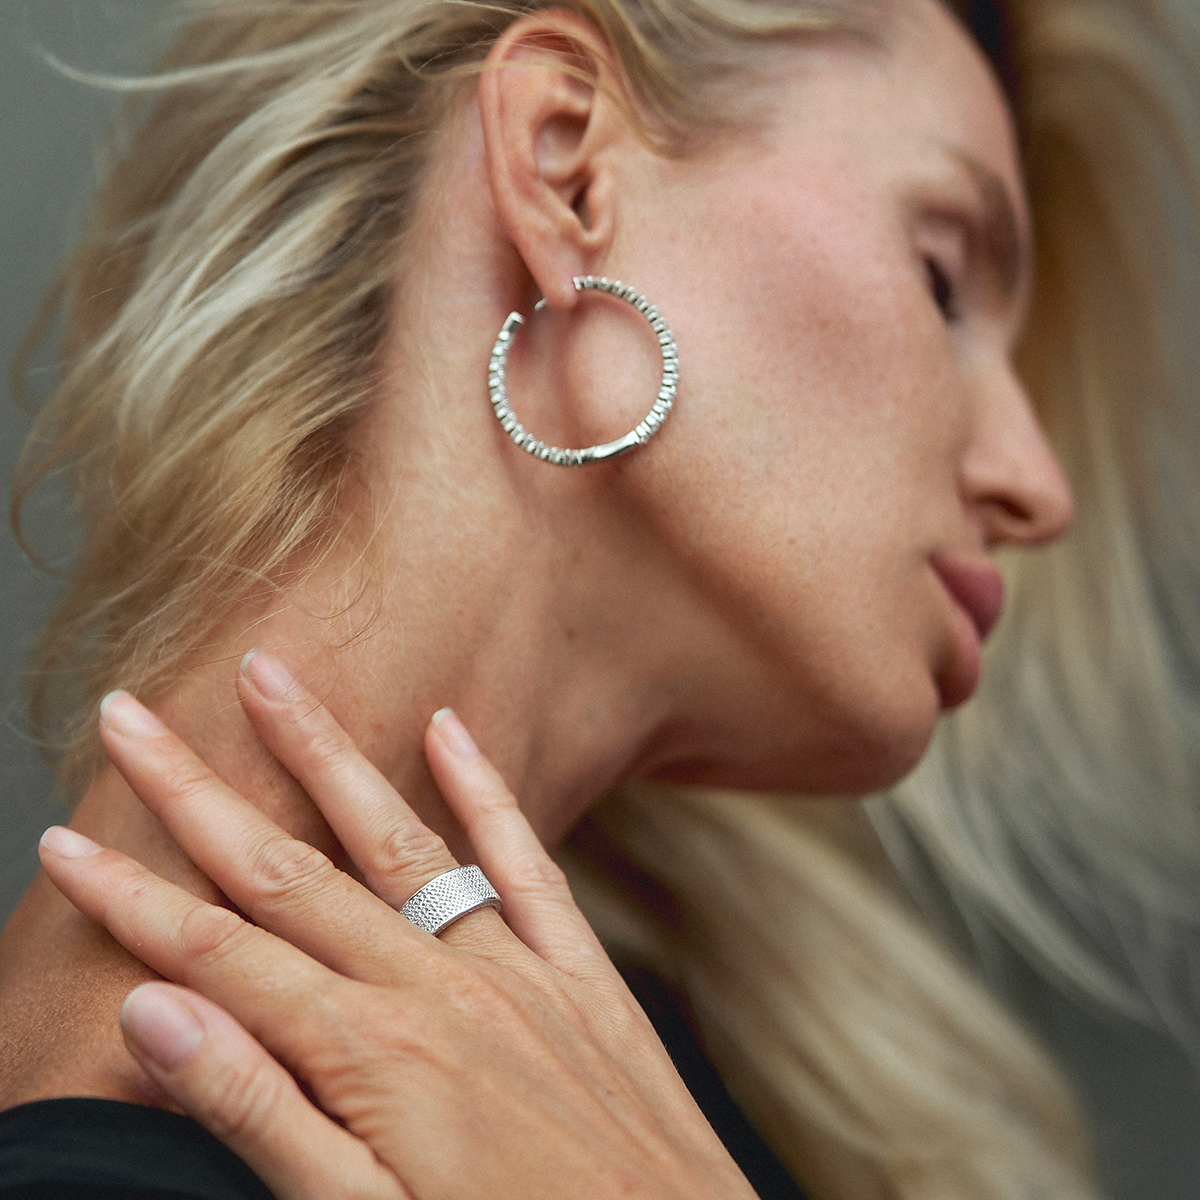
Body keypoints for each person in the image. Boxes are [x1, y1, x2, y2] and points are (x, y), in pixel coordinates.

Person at [1, 0, 1198, 1196]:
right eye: (942, 279)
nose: (1038, 489)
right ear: (565, 173)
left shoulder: (695, 1058)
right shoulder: (97, 1155)